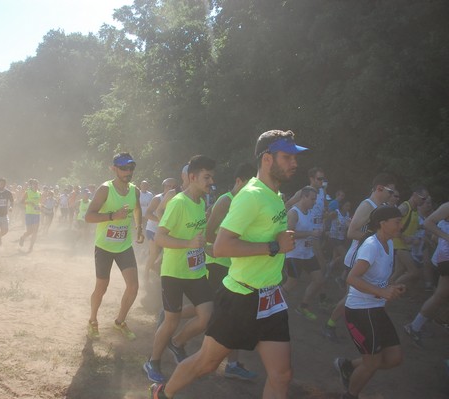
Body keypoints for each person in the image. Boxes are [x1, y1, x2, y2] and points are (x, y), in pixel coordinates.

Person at [150, 129, 305, 399]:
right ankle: (162, 393)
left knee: (282, 376)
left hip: (271, 297)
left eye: (294, 157)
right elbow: (221, 247)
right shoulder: (251, 196)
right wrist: (273, 246)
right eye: (287, 156)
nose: (294, 162)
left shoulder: (276, 197)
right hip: (241, 297)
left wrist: (280, 239)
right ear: (267, 159)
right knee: (207, 363)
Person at [143, 155, 215, 384]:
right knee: (171, 320)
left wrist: (207, 247)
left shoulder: (202, 202)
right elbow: (161, 237)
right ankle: (152, 361)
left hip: (196, 271)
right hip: (174, 272)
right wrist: (188, 244)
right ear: (192, 177)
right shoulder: (178, 202)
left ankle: (176, 343)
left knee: (206, 316)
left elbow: (198, 237)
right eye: (207, 177)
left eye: (212, 177)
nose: (211, 181)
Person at [334, 206, 405, 399]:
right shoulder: (371, 246)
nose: (401, 225)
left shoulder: (389, 244)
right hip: (360, 311)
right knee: (372, 363)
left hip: (376, 309)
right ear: (383, 224)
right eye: (397, 222)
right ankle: (349, 395)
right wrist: (382, 291)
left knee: (394, 358)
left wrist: (392, 287)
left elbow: (377, 278)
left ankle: (348, 366)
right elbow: (352, 278)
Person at [321, 173, 396, 342]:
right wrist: (374, 238)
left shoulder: (381, 206)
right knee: (351, 298)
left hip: (369, 258)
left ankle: (345, 326)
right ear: (379, 188)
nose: (392, 196)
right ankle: (330, 325)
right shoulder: (367, 205)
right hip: (357, 258)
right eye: (390, 192)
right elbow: (351, 232)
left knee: (360, 297)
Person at [204, 161, 258, 380]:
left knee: (228, 314)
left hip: (236, 268)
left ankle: (232, 363)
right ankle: (172, 316)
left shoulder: (249, 202)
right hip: (217, 264)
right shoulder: (225, 201)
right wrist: (228, 246)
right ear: (238, 181)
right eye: (248, 185)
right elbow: (208, 234)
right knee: (212, 311)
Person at [85, 152, 144, 340]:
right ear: (114, 168)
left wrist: (139, 227)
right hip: (104, 247)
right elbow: (89, 216)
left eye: (131, 168)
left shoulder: (135, 191)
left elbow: (137, 208)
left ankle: (119, 322)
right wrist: (112, 216)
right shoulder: (105, 189)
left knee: (133, 286)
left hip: (124, 246)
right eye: (124, 168)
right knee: (102, 287)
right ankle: (93, 320)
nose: (128, 171)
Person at [404, 201, 449, 348]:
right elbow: (429, 223)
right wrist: (446, 237)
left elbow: (435, 237)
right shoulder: (447, 206)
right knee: (440, 295)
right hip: (447, 257)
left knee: (441, 295)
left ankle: (420, 324)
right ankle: (419, 325)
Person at [281, 186, 324, 320]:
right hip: (294, 254)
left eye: (315, 199)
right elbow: (289, 234)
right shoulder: (294, 213)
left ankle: (303, 307)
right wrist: (310, 233)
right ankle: (272, 305)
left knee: (319, 280)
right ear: (303, 197)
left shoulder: (310, 212)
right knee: (292, 282)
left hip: (308, 253)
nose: (314, 202)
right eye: (312, 199)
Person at [390, 186, 430, 290]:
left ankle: (386, 287)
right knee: (414, 272)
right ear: (415, 195)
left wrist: (425, 226)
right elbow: (392, 223)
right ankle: (391, 288)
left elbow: (410, 224)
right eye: (423, 198)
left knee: (399, 270)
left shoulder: (415, 210)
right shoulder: (405, 207)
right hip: (399, 244)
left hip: (405, 246)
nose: (425, 201)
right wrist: (405, 238)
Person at [144, 178, 177, 283]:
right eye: (168, 186)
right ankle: (145, 273)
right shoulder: (158, 198)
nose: (170, 188)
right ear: (164, 186)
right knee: (154, 253)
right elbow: (147, 213)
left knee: (168, 252)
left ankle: (155, 267)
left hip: (166, 231)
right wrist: (161, 220)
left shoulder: (177, 199)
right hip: (152, 229)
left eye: (173, 187)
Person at [19, 179, 42, 252]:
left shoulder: (39, 193)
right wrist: (29, 203)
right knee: (29, 231)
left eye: (37, 184)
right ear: (31, 185)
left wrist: (40, 206)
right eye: (34, 184)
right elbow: (21, 202)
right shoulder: (27, 192)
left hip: (37, 213)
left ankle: (31, 247)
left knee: (35, 231)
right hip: (29, 213)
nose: (36, 186)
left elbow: (39, 203)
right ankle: (22, 237)